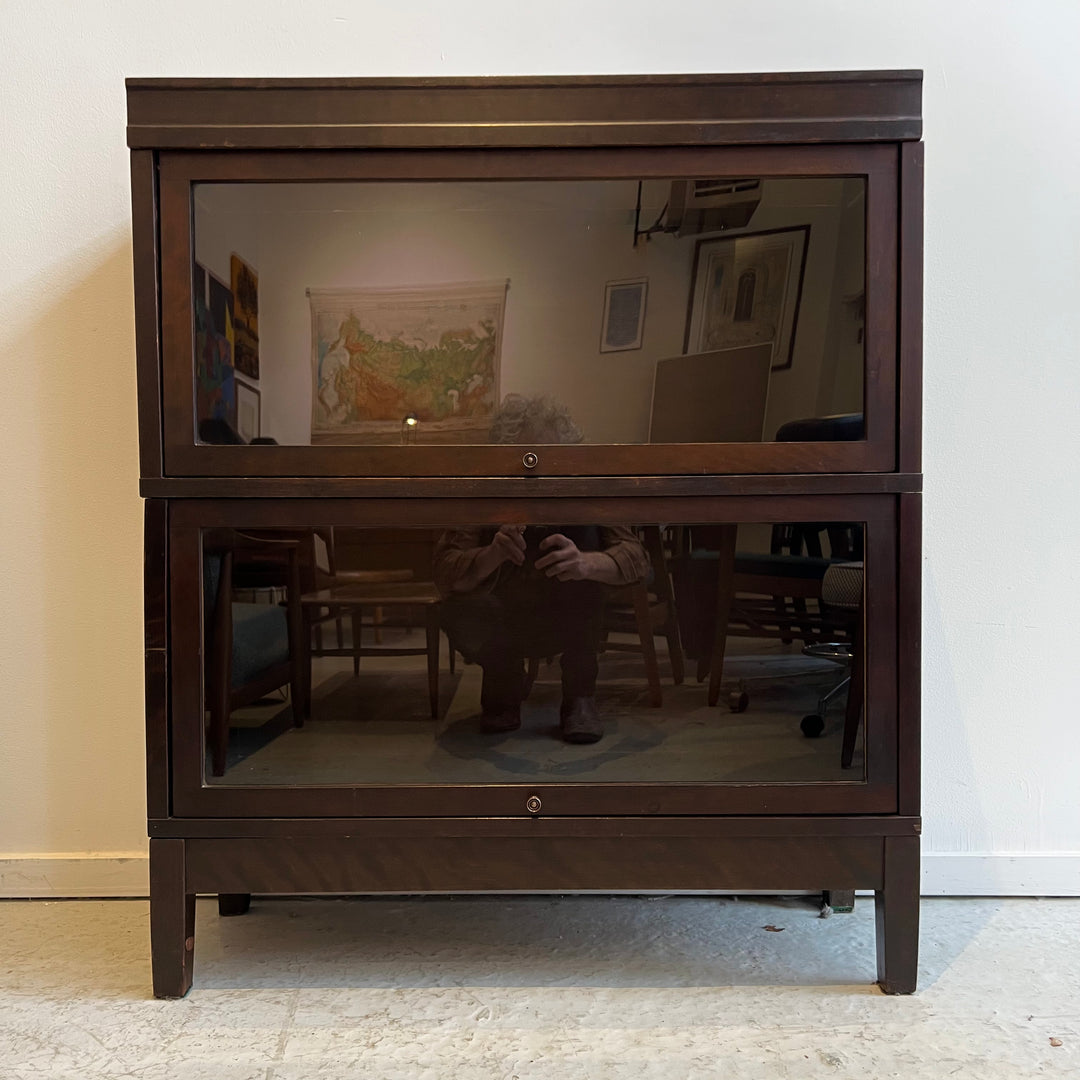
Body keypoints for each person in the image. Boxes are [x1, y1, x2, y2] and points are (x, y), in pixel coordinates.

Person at [433, 395, 648, 743]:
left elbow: (636, 557)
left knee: (587, 574)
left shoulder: (589, 489)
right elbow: (444, 572)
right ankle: (503, 689)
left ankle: (579, 697)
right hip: (504, 617)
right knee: (460, 609)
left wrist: (586, 563)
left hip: (569, 614)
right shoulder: (480, 491)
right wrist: (491, 555)